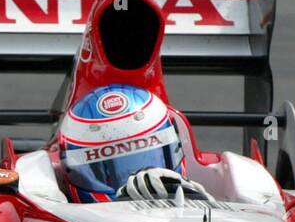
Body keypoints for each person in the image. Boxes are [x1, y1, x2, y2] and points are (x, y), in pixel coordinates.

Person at [58, 85, 208, 202]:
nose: (138, 186)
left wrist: (198, 206)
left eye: (150, 160)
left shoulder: (198, 197)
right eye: (111, 173)